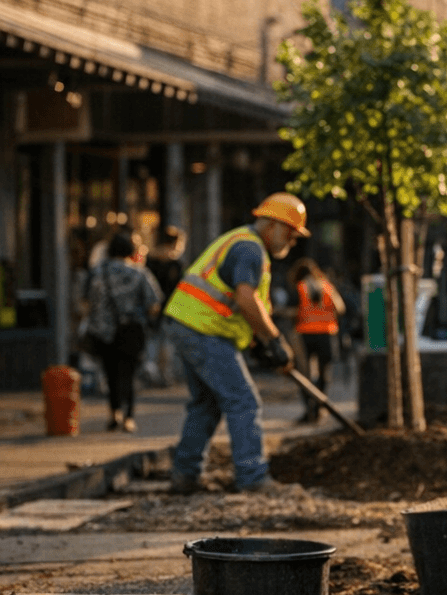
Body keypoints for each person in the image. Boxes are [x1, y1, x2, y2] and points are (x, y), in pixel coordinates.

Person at [161, 193, 305, 494]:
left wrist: (256, 341)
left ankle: (185, 476)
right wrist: (274, 341)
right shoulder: (250, 250)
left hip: (188, 324)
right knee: (243, 401)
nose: (292, 242)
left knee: (207, 404)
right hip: (204, 329)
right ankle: (253, 477)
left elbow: (237, 304)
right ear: (274, 226)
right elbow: (246, 299)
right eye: (291, 234)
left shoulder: (241, 241)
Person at [82, 232, 163, 432]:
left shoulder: (96, 272)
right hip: (131, 330)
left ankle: (114, 413)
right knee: (128, 373)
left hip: (103, 331)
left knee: (110, 372)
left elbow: (85, 303)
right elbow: (154, 304)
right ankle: (129, 417)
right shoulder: (139, 273)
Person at [290, 258, 347, 423]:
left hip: (305, 334)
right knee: (323, 373)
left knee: (304, 375)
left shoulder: (300, 287)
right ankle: (319, 408)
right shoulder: (326, 286)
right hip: (327, 334)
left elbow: (293, 310)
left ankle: (309, 411)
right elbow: (340, 308)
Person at [142, 225, 187, 386]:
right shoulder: (176, 264)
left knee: (151, 341)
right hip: (171, 309)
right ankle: (165, 374)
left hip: (151, 307)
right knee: (167, 343)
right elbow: (180, 289)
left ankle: (151, 371)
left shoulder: (150, 260)